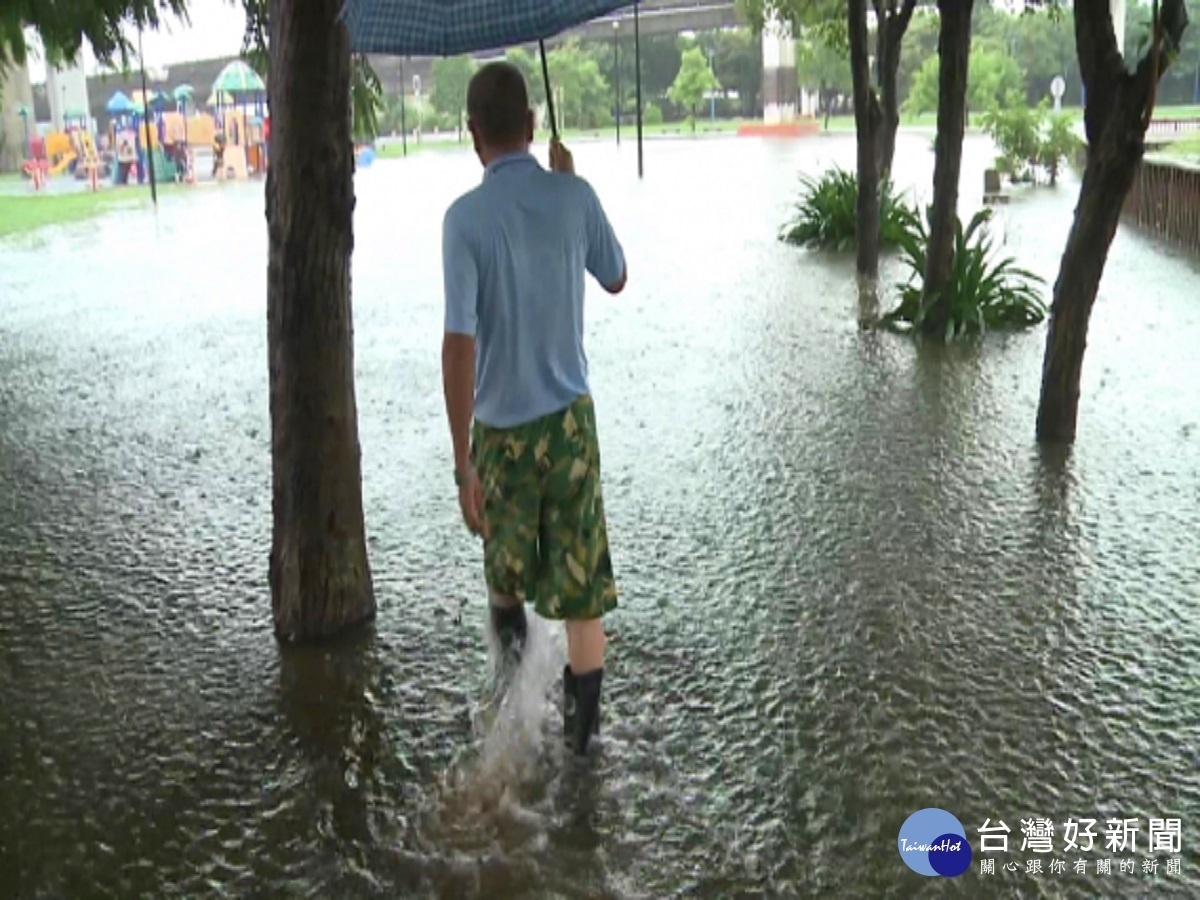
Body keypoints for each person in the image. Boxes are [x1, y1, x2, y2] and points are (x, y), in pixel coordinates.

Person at [440, 61, 628, 756]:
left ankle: (512, 723)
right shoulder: (574, 196)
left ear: (473, 136)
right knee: (582, 597)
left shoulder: (461, 221)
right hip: (571, 429)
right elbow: (616, 276)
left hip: (502, 436)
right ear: (531, 125)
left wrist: (463, 467)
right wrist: (573, 182)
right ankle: (583, 752)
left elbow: (457, 347)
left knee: (504, 578)